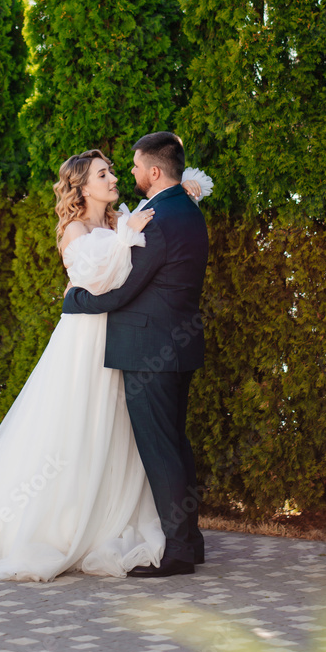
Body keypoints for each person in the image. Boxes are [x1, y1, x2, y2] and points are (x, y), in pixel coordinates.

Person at [0, 145, 210, 582]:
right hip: (88, 339)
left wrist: (181, 190)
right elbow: (100, 281)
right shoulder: (78, 229)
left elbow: (138, 260)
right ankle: (64, 523)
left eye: (116, 171)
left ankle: (142, 529)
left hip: (124, 338)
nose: (115, 178)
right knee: (78, 429)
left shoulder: (124, 219)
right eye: (103, 174)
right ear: (81, 188)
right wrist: (88, 284)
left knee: (130, 438)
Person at [63, 132, 209, 578]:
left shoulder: (159, 220)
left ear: (155, 171)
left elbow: (126, 291)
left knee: (161, 450)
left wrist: (75, 301)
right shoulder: (188, 210)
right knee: (176, 444)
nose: (130, 173)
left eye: (136, 166)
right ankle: (191, 541)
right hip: (178, 346)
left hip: (149, 352)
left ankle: (179, 551)